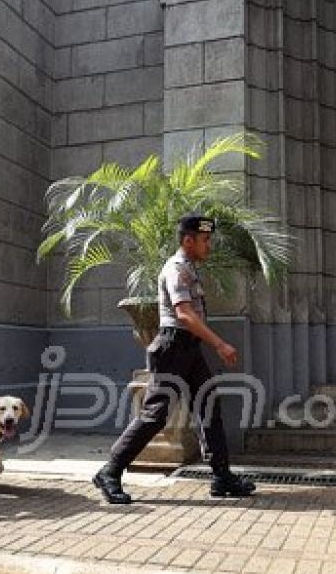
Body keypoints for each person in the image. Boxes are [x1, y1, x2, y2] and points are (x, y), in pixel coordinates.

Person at [93, 214, 255, 504]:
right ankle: (110, 471)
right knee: (155, 414)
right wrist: (219, 344)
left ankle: (221, 477)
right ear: (187, 240)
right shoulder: (176, 269)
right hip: (172, 347)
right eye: (205, 240)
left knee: (207, 405)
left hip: (188, 348)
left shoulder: (189, 268)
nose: (210, 245)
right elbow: (184, 314)